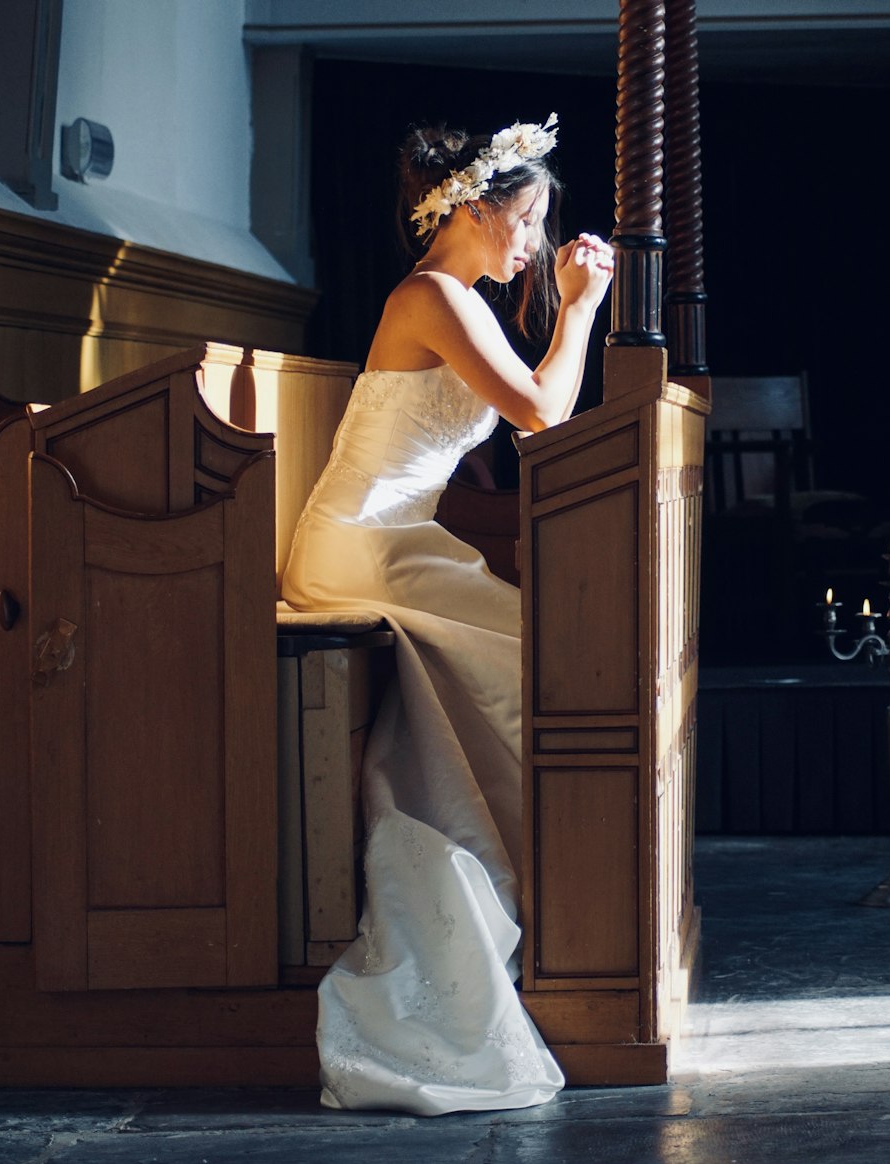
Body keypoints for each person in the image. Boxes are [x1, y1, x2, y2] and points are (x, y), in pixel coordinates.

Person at [282, 113, 613, 1116]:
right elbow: (542, 416)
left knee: (536, 650)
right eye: (527, 220)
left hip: (393, 535)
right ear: (473, 207)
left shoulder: (455, 298)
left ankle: (529, 886)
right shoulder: (432, 295)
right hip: (359, 540)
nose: (535, 244)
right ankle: (557, 897)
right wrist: (581, 309)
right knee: (543, 658)